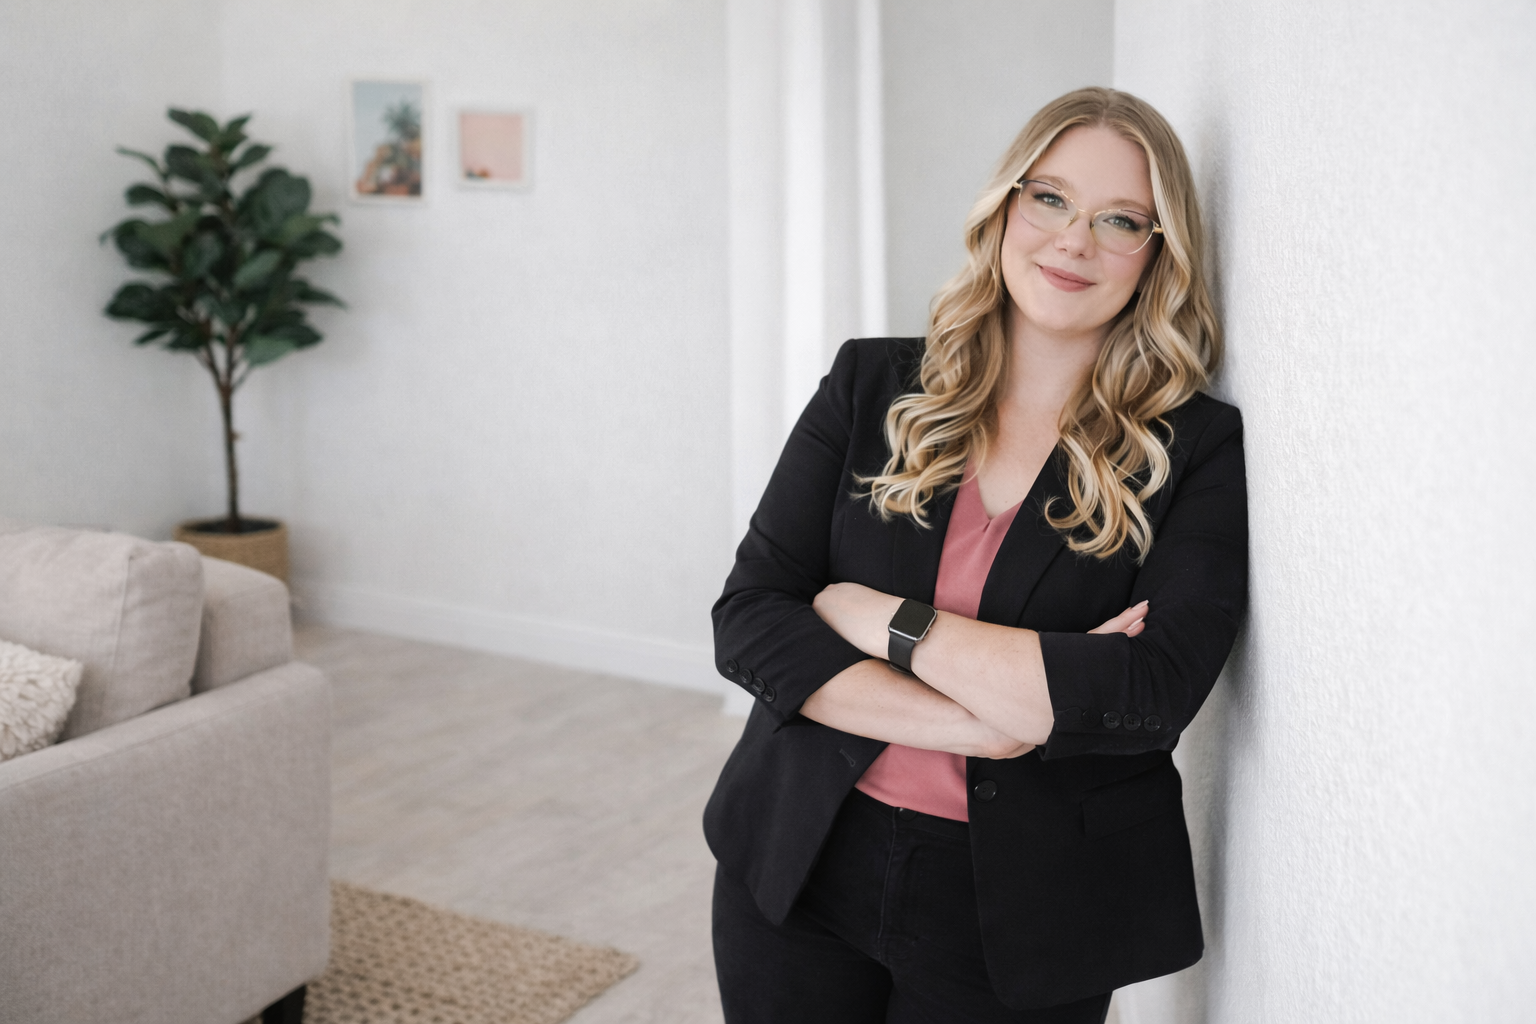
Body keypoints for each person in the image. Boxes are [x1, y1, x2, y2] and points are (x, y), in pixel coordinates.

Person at [705, 86, 1247, 1023]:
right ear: (1004, 207)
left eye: (1121, 220)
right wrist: (989, 722)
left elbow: (1145, 693)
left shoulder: (1192, 446)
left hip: (1027, 912)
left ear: (1158, 256)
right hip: (798, 862)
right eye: (1050, 199)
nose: (1074, 241)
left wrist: (876, 617)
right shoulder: (871, 384)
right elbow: (751, 618)